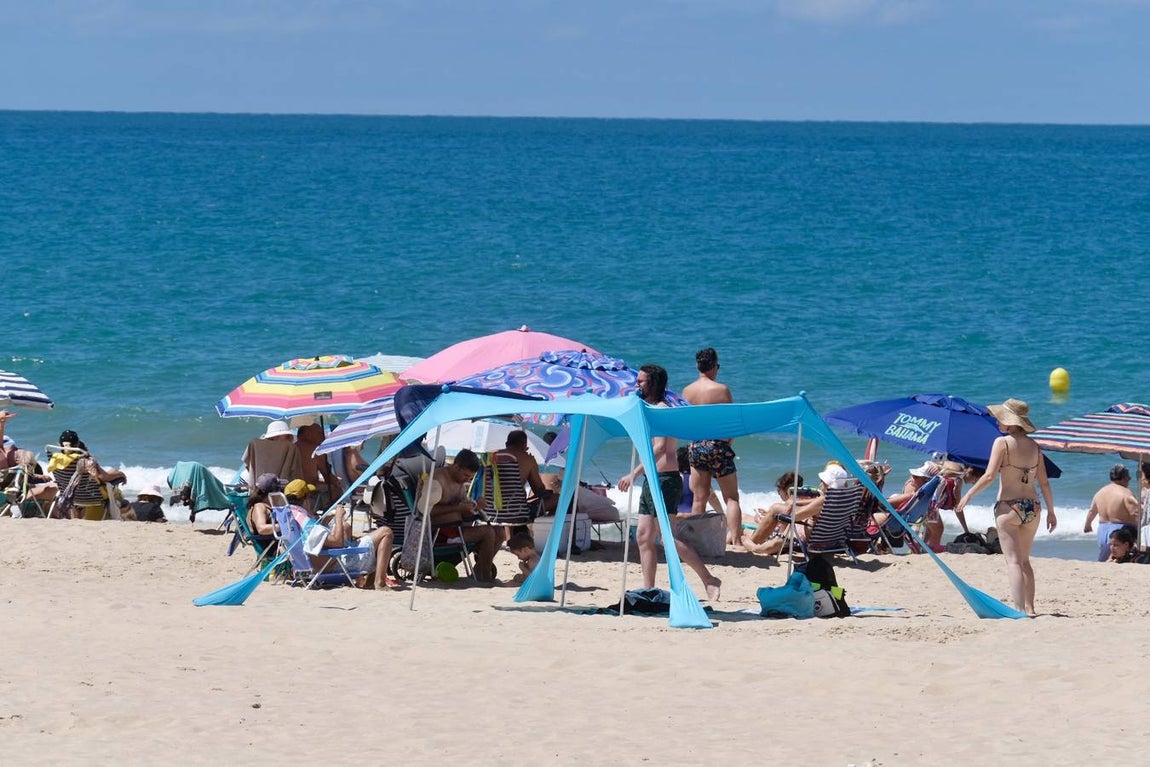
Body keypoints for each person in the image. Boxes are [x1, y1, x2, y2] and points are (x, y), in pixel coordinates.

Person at [618, 364, 721, 601]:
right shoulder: (650, 409)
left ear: (653, 383)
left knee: (667, 538)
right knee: (643, 536)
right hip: (652, 479)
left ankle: (709, 579)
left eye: (641, 382)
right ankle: (648, 589)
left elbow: (661, 448)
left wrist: (633, 473)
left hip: (665, 480)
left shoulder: (663, 410)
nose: (637, 385)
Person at [955, 398, 1056, 617]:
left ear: (1010, 422)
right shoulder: (1035, 446)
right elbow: (1044, 482)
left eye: (1001, 417)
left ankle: (1019, 609)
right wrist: (1052, 512)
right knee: (1025, 561)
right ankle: (1030, 608)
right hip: (1033, 508)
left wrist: (969, 495)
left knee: (1013, 562)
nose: (998, 420)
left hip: (1009, 508)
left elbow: (990, 475)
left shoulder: (1002, 443)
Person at [284, 478, 399, 590]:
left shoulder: (291, 518)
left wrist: (325, 521)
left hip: (311, 566)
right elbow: (337, 543)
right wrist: (338, 516)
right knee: (385, 532)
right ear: (305, 499)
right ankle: (379, 582)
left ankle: (370, 582)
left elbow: (315, 541)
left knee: (346, 527)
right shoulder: (306, 523)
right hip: (334, 566)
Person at [681, 347, 743, 547]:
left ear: (698, 366)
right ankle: (736, 541)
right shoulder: (721, 390)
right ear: (714, 366)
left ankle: (695, 542)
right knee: (731, 498)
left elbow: (685, 424)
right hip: (718, 445)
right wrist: (728, 442)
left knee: (699, 498)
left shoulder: (687, 391)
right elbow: (731, 422)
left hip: (696, 445)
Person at [415, 449, 498, 583]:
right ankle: (485, 577)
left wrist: (476, 506)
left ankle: (480, 570)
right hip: (439, 533)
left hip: (456, 529)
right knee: (488, 532)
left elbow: (462, 507)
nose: (467, 480)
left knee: (499, 532)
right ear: (456, 467)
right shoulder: (437, 480)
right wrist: (458, 508)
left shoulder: (458, 482)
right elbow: (425, 511)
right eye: (465, 475)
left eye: (470, 478)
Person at [48, 429, 127, 520]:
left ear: (59, 445)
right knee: (116, 491)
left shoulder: (55, 460)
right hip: (93, 497)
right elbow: (104, 477)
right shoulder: (87, 461)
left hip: (69, 497)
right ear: (77, 444)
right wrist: (120, 474)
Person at [741, 471, 817, 555]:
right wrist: (767, 515)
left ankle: (745, 546)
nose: (779, 494)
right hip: (795, 538)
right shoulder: (807, 501)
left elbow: (782, 529)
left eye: (778, 491)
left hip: (785, 538)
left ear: (786, 490)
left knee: (743, 530)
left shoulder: (791, 503)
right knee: (743, 519)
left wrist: (763, 520)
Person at [1084, 464, 1140, 561]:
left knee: (1107, 557)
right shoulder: (1125, 492)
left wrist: (1087, 525)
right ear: (1124, 478)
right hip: (1120, 531)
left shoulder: (1100, 492)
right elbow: (1135, 514)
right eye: (1129, 478)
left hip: (1102, 530)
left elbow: (1092, 511)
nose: (1129, 480)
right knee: (1118, 559)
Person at [889, 460, 943, 550]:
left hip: (897, 519)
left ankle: (926, 548)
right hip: (908, 516)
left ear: (925, 480)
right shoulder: (920, 491)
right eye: (913, 476)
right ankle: (929, 549)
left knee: (935, 529)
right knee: (937, 528)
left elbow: (883, 504)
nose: (911, 478)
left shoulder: (912, 491)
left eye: (916, 476)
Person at [295, 423, 342, 508]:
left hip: (292, 491)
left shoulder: (293, 447)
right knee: (337, 490)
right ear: (308, 434)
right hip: (308, 494)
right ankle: (325, 514)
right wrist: (338, 482)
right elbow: (328, 477)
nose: (323, 436)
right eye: (319, 433)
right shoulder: (315, 451)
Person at [676, 446, 722, 515]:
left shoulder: (674, 478)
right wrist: (721, 514)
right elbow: (712, 497)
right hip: (693, 517)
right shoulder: (697, 478)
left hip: (675, 517)